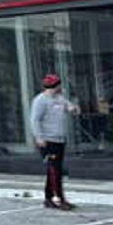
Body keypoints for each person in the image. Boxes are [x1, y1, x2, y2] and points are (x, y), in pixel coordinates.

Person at [32, 73, 80, 210]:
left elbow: (72, 108)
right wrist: (39, 137)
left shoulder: (60, 99)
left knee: (52, 171)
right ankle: (59, 199)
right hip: (47, 141)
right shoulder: (40, 100)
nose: (61, 87)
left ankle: (48, 199)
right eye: (59, 84)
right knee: (55, 170)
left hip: (59, 140)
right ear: (56, 85)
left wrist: (74, 109)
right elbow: (35, 120)